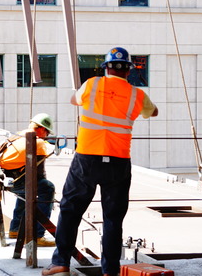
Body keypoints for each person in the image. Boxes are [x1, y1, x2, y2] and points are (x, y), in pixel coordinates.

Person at [43, 47, 158, 276]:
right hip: (118, 160)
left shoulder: (92, 84)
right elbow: (152, 113)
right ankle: (110, 271)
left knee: (70, 210)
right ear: (128, 71)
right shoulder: (137, 95)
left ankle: (61, 263)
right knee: (113, 218)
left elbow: (73, 100)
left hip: (87, 158)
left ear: (106, 68)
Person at [0, 113, 56, 247]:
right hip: (17, 180)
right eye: (47, 132)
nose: (46, 136)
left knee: (27, 188)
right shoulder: (38, 142)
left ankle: (16, 228)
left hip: (5, 178)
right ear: (42, 129)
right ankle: (38, 235)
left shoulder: (18, 135)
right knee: (47, 188)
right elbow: (39, 174)